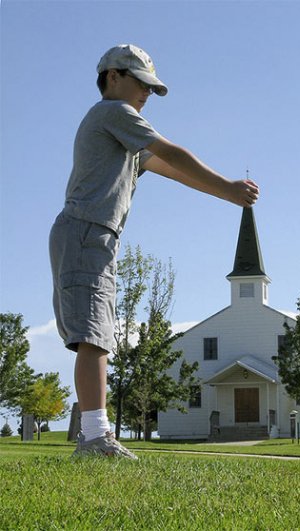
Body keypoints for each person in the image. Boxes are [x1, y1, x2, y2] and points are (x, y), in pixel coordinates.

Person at [49, 44, 259, 459]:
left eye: (151, 87)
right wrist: (230, 188)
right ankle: (93, 438)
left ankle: (97, 436)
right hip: (86, 232)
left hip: (97, 237)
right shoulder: (113, 113)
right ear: (113, 77)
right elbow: (172, 151)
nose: (146, 93)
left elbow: (171, 169)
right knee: (92, 336)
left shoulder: (123, 133)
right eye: (140, 82)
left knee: (99, 336)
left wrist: (225, 196)